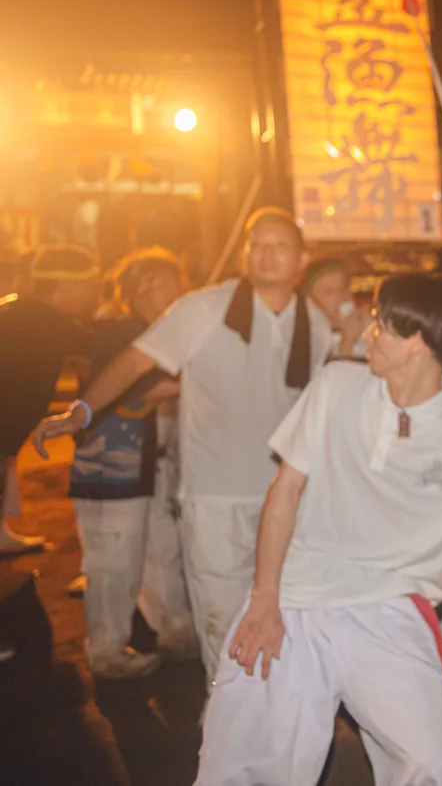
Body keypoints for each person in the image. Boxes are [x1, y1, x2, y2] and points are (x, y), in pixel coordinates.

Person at [194, 273, 442, 786]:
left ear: (418, 341)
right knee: (244, 765)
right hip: (295, 598)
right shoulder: (336, 384)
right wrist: (265, 598)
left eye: (380, 325)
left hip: (391, 609)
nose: (367, 335)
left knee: (430, 764)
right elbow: (284, 491)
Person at [31, 208, 331, 681]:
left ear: (302, 258)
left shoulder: (314, 323)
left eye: (280, 245)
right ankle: (225, 709)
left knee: (285, 618)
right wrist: (81, 412)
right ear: (244, 254)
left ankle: (273, 710)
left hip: (286, 498)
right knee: (222, 621)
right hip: (214, 498)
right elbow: (136, 361)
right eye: (257, 244)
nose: (267, 254)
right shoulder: (204, 308)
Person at [68, 248, 198, 678]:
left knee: (161, 552)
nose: (182, 295)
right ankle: (106, 651)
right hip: (112, 469)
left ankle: (175, 629)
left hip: (150, 467)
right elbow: (129, 388)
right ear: (146, 285)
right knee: (114, 559)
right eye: (174, 285)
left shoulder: (158, 334)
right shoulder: (120, 333)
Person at [0, 245, 100, 557]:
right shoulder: (52, 323)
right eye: (88, 286)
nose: (92, 295)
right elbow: (101, 363)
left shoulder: (12, 307)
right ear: (66, 284)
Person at [305, 257, 369, 359]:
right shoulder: (308, 340)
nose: (341, 297)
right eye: (329, 292)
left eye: (344, 288)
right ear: (310, 300)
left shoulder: (368, 332)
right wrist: (347, 341)